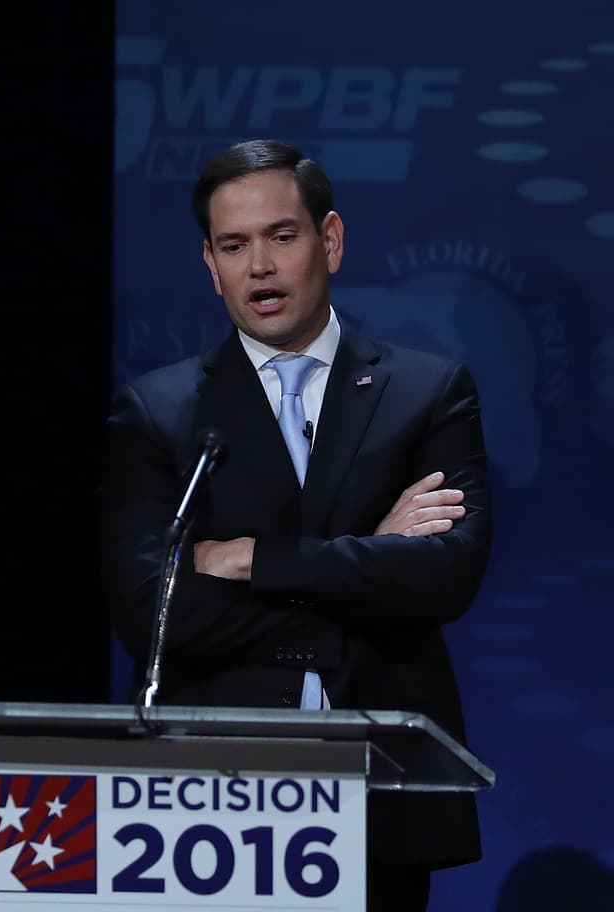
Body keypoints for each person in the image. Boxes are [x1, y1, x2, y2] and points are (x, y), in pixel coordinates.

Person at [100, 139, 491, 911]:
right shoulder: (160, 412)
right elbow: (152, 612)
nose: (260, 267)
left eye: (282, 236)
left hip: (382, 785)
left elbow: (447, 576)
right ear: (210, 266)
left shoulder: (428, 392)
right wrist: (370, 559)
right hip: (211, 805)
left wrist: (253, 559)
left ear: (331, 240)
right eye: (233, 246)